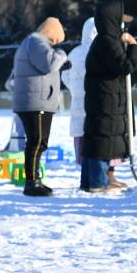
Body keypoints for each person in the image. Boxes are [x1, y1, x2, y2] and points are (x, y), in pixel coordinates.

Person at [81, 0, 137, 192]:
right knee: (103, 137)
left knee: (97, 136)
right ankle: (98, 182)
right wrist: (134, 46)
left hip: (104, 97)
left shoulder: (104, 39)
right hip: (106, 99)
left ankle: (92, 180)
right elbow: (124, 66)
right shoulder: (107, 41)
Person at [11, 18, 68, 196]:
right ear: (51, 32)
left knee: (38, 142)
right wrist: (62, 54)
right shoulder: (36, 41)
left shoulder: (32, 42)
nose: (56, 44)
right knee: (36, 142)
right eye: (56, 40)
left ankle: (35, 180)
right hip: (35, 101)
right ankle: (32, 183)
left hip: (37, 100)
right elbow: (49, 64)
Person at [61, 17, 96, 164]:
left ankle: (80, 160)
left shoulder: (74, 53)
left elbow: (64, 75)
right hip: (95, 101)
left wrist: (75, 89)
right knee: (94, 134)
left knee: (79, 134)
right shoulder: (99, 51)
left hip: (77, 103)